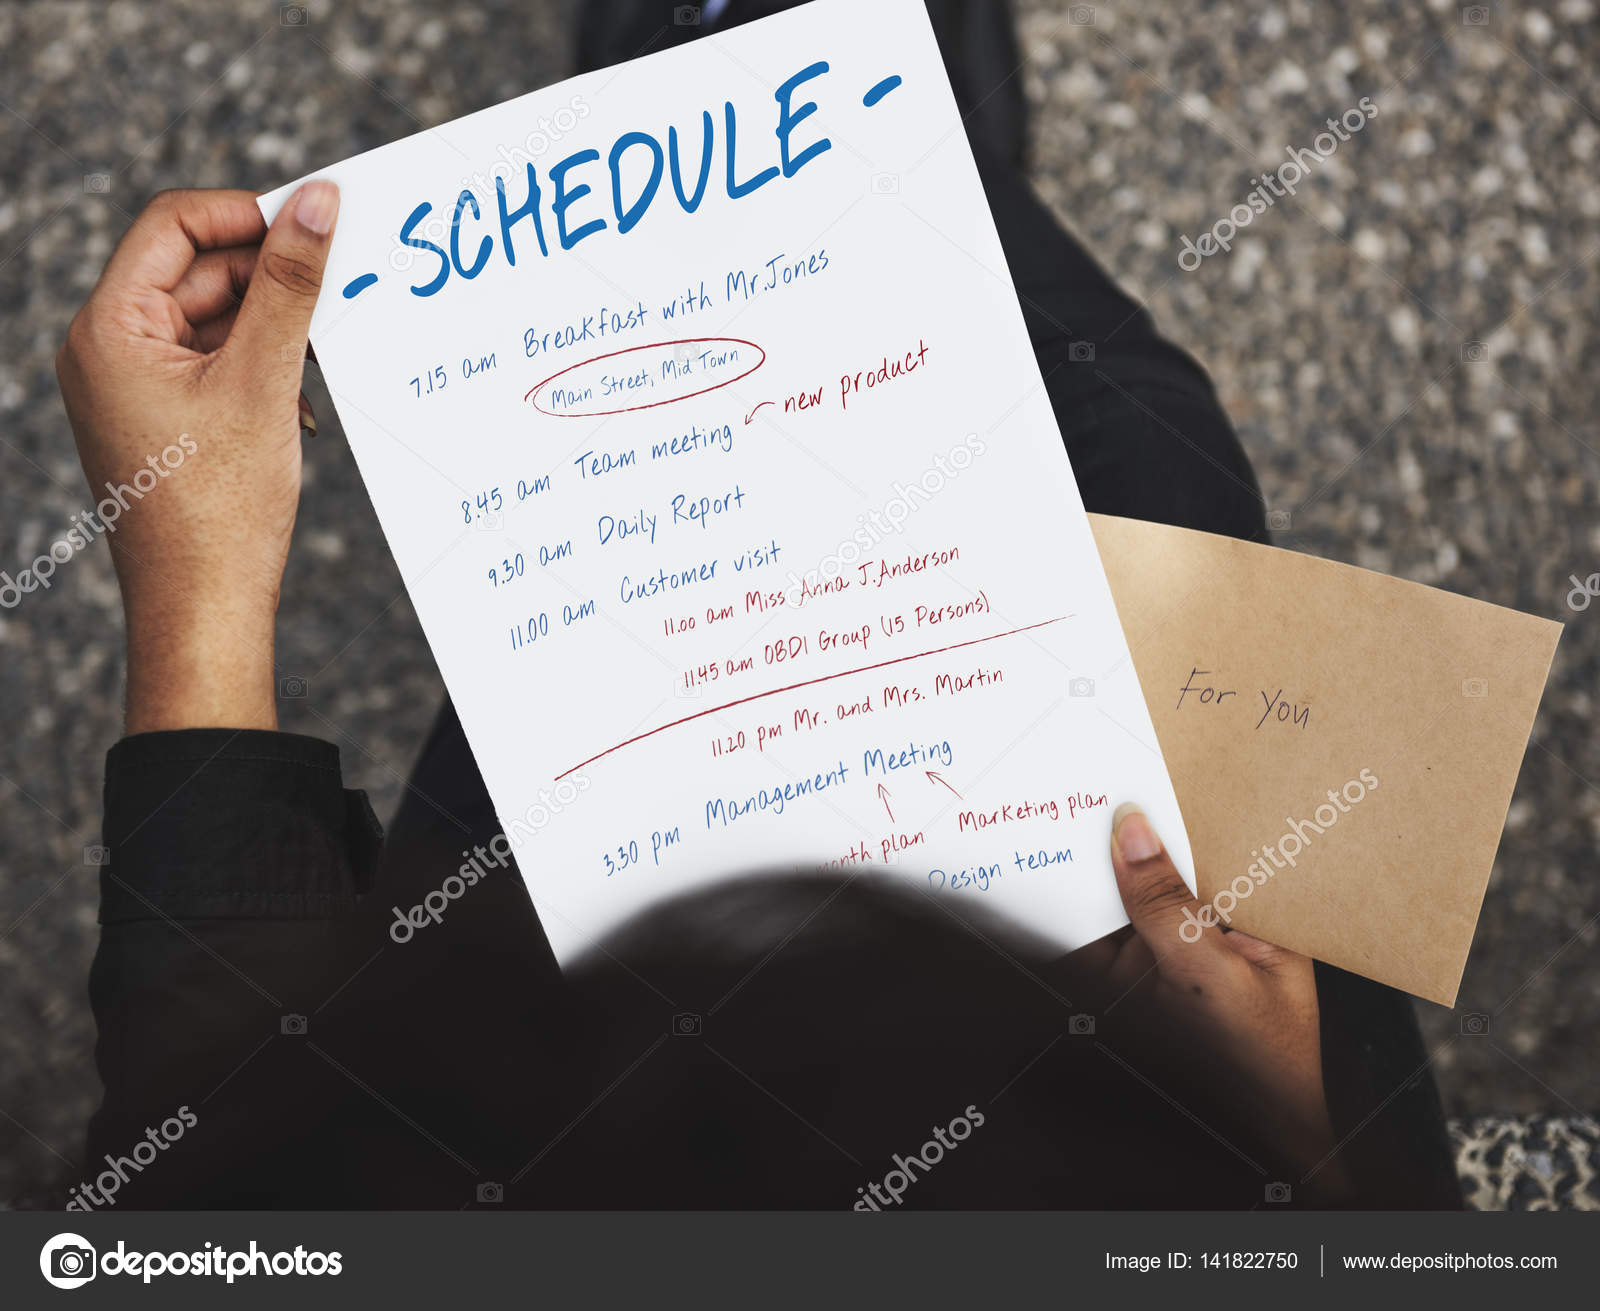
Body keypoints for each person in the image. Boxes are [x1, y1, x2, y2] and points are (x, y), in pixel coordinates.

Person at [49, 0, 1460, 1210]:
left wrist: (196, 581)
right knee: (1141, 429)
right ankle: (863, 95)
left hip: (574, 1001)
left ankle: (734, 59)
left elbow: (211, 1179)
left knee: (954, 317)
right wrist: (1295, 1159)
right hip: (1179, 1077)